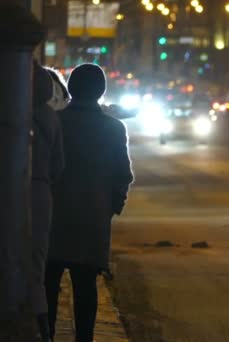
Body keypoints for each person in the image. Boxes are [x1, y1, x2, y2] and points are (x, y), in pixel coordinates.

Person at [45, 63, 134, 342]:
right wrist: (110, 207)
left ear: (70, 88)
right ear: (101, 91)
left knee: (48, 286)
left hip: (53, 218)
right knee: (86, 288)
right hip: (92, 219)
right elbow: (123, 174)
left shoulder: (54, 121)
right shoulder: (114, 128)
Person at [31, 62, 65, 342]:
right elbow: (58, 165)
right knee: (37, 261)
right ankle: (43, 325)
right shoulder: (51, 118)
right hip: (42, 193)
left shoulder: (13, 115)